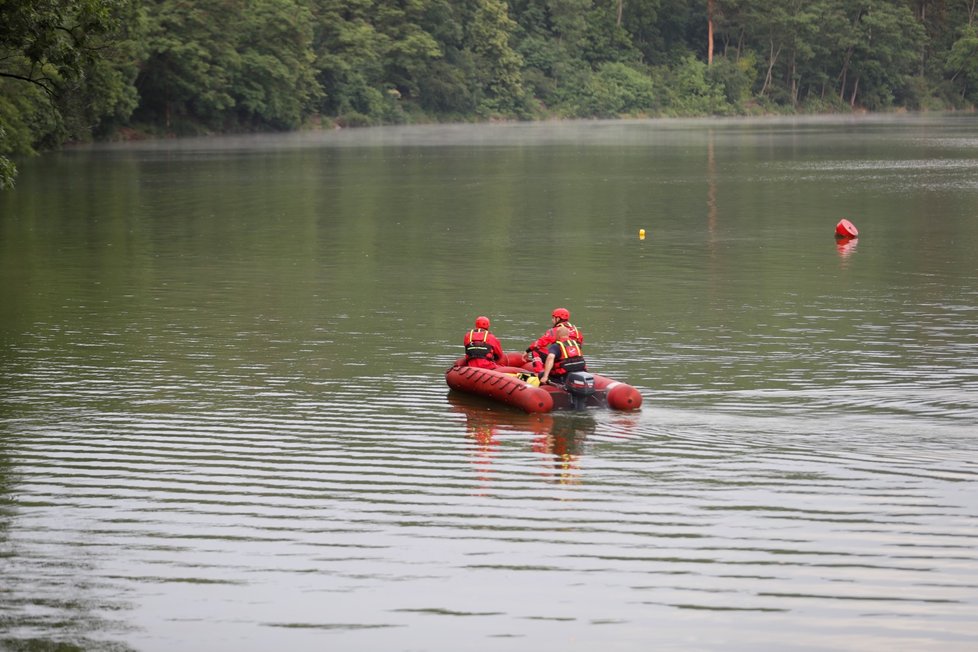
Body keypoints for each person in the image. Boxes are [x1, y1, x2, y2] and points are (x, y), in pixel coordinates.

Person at [525, 307, 583, 372]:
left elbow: (539, 343)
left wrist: (527, 351)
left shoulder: (555, 330)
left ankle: (539, 373)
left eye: (553, 318)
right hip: (575, 360)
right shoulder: (576, 331)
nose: (552, 320)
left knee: (535, 350)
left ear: (557, 318)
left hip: (561, 361)